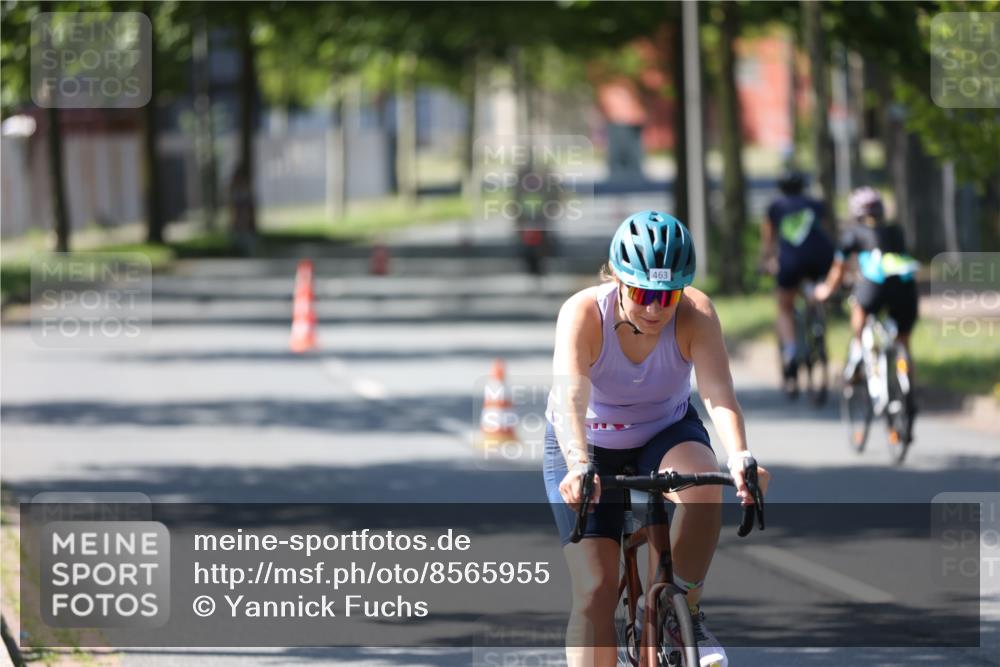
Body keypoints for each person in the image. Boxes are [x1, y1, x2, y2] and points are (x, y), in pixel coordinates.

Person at [543, 210, 770, 667]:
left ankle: (680, 607)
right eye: (643, 293)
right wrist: (578, 464)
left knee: (706, 487)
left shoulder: (696, 314)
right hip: (587, 442)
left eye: (667, 296)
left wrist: (741, 455)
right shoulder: (584, 313)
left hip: (664, 430)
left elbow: (718, 395)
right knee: (596, 590)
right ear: (617, 280)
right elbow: (570, 401)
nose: (655, 309)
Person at [814, 187, 919, 437]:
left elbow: (838, 271)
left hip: (875, 286)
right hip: (906, 288)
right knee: (903, 340)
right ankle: (908, 388)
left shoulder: (852, 234)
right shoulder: (896, 230)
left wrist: (825, 291)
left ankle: (860, 349)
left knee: (859, 308)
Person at [761, 171, 836, 397]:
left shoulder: (775, 207)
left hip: (791, 260)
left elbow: (769, 241)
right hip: (820, 258)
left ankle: (792, 351)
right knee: (815, 290)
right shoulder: (815, 204)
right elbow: (824, 231)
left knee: (784, 307)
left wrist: (766, 261)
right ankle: (817, 320)